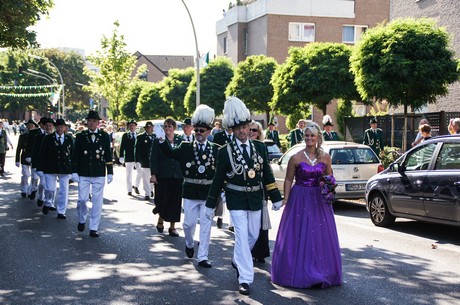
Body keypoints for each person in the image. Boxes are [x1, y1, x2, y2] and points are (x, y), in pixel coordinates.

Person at [205, 97, 282, 296]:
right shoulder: (225, 151)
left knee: (253, 235)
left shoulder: (260, 148)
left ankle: (238, 258)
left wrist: (275, 197)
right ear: (232, 129)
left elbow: (267, 173)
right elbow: (218, 179)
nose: (242, 130)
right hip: (236, 199)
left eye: (245, 127)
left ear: (250, 127)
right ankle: (245, 279)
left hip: (256, 199)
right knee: (241, 234)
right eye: (237, 127)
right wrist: (210, 203)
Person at [271, 122, 342, 289]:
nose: (309, 138)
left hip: (319, 200)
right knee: (298, 233)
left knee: (318, 235)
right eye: (307, 135)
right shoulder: (296, 157)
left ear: (318, 137)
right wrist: (286, 199)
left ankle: (321, 271)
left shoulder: (325, 157)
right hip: (299, 198)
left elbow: (328, 177)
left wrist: (329, 193)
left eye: (312, 135)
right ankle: (298, 271)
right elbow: (288, 179)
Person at [157, 105, 219, 268]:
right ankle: (190, 244)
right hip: (190, 192)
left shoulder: (215, 149)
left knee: (206, 226)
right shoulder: (185, 147)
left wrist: (222, 191)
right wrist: (162, 140)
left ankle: (203, 256)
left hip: (207, 193)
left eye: (202, 130)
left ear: (208, 132)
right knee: (188, 224)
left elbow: (221, 171)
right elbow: (170, 153)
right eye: (196, 130)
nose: (198, 133)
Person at [71, 110, 114, 237]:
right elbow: (75, 155)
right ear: (87, 122)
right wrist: (74, 171)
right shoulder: (80, 136)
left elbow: (107, 154)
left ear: (98, 123)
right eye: (89, 121)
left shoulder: (104, 136)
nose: (91, 123)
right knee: (82, 200)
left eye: (94, 121)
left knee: (97, 201)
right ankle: (82, 218)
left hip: (98, 172)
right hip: (83, 172)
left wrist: (110, 172)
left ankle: (94, 227)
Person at [150, 118, 183, 237]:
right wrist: (153, 174)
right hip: (163, 174)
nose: (167, 129)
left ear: (174, 127)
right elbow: (154, 157)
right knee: (163, 199)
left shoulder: (180, 139)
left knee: (175, 201)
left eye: (169, 126)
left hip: (177, 175)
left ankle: (172, 226)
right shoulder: (158, 140)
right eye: (165, 126)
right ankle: (161, 218)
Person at [36, 119, 74, 218]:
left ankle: (61, 211)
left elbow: (73, 155)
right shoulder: (48, 138)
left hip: (65, 168)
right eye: (58, 126)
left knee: (64, 190)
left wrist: (74, 170)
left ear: (65, 128)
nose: (60, 129)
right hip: (50, 167)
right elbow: (42, 153)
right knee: (50, 189)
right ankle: (48, 202)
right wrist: (39, 168)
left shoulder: (69, 139)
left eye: (62, 126)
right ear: (55, 127)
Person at [248, 121, 270, 264]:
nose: (251, 132)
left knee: (261, 223)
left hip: (260, 188)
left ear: (259, 133)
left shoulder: (262, 147)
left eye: (254, 130)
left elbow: (267, 170)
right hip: (245, 191)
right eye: (249, 130)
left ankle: (260, 252)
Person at [211, 126, 234, 229]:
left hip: (234, 170)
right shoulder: (218, 136)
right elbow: (215, 153)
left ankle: (232, 223)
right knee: (222, 196)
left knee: (232, 196)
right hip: (222, 169)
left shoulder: (237, 135)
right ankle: (220, 216)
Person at [31, 118, 55, 208]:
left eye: (50, 126)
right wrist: (34, 165)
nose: (48, 127)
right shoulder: (38, 137)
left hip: (52, 165)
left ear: (53, 127)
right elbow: (35, 151)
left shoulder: (56, 137)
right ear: (44, 127)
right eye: (47, 126)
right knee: (43, 183)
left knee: (52, 186)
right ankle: (41, 197)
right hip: (41, 164)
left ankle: (50, 203)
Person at [24, 117, 48, 200]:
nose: (46, 126)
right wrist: (28, 155)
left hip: (45, 159)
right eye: (45, 124)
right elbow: (29, 145)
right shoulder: (33, 132)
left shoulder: (50, 133)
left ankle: (41, 196)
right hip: (35, 157)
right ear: (41, 124)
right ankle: (33, 189)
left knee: (43, 179)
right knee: (35, 177)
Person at [15, 119, 37, 197]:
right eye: (28, 125)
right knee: (25, 175)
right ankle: (24, 189)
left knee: (35, 176)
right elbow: (19, 148)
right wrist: (17, 160)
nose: (30, 127)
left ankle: (32, 189)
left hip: (34, 157)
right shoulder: (23, 136)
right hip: (24, 156)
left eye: (31, 125)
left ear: (34, 126)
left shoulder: (37, 136)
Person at [119, 120, 141, 196]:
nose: (132, 127)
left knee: (140, 172)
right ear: (128, 127)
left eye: (133, 125)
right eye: (130, 125)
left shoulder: (138, 135)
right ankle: (129, 190)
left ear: (136, 127)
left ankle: (136, 185)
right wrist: (121, 156)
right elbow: (122, 146)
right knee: (129, 174)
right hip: (128, 157)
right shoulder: (125, 135)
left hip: (137, 158)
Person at [135, 121, 155, 200]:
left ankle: (151, 190)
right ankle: (147, 193)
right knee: (146, 178)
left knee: (153, 178)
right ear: (146, 128)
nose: (150, 129)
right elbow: (137, 150)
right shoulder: (140, 137)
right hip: (145, 161)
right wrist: (137, 161)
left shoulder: (155, 137)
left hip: (153, 161)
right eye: (148, 127)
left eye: (151, 127)